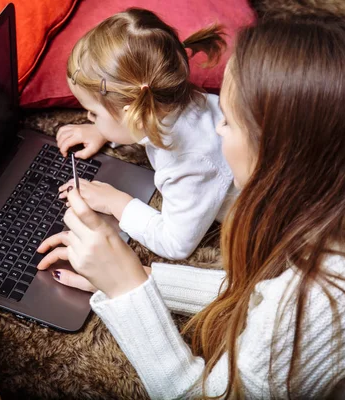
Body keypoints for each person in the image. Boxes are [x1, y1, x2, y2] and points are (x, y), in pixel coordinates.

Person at [37, 13, 345, 398]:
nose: (215, 130)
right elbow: (257, 292)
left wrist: (127, 291)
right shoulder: (342, 217)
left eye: (229, 121)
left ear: (282, 153)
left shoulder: (312, 304)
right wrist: (136, 276)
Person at [56, 8, 238, 262]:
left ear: (134, 116)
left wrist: (116, 202)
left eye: (93, 113)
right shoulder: (175, 99)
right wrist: (104, 130)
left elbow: (176, 244)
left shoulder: (188, 163)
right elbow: (135, 120)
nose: (88, 118)